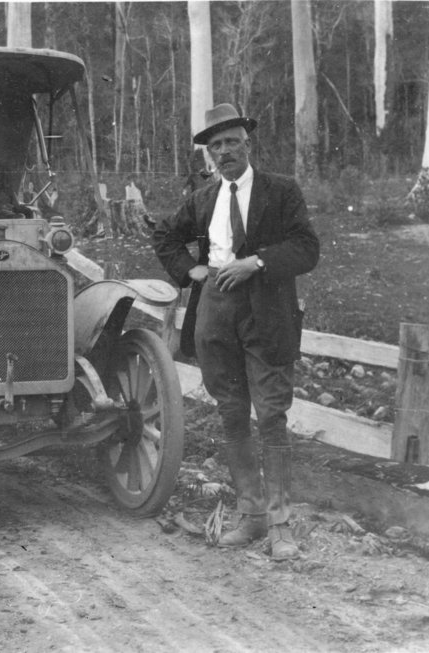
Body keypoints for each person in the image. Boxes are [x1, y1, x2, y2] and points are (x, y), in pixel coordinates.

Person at [152, 103, 320, 561]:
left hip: (267, 310)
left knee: (271, 415)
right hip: (215, 312)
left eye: (231, 142)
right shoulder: (203, 198)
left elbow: (307, 248)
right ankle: (251, 515)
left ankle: (281, 525)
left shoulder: (280, 191)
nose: (223, 152)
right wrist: (192, 271)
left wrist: (257, 262)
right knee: (231, 413)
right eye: (215, 146)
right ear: (208, 155)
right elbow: (164, 235)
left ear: (248, 144)